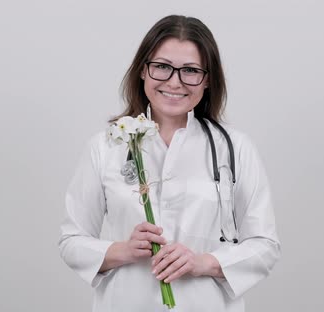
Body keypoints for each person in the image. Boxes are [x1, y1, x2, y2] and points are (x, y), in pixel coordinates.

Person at [59, 15, 280, 312]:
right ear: (143, 70)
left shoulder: (235, 148)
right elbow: (71, 241)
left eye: (190, 70)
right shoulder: (106, 146)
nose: (174, 82)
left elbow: (265, 246)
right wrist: (121, 250)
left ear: (208, 80)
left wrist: (205, 262)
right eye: (162, 66)